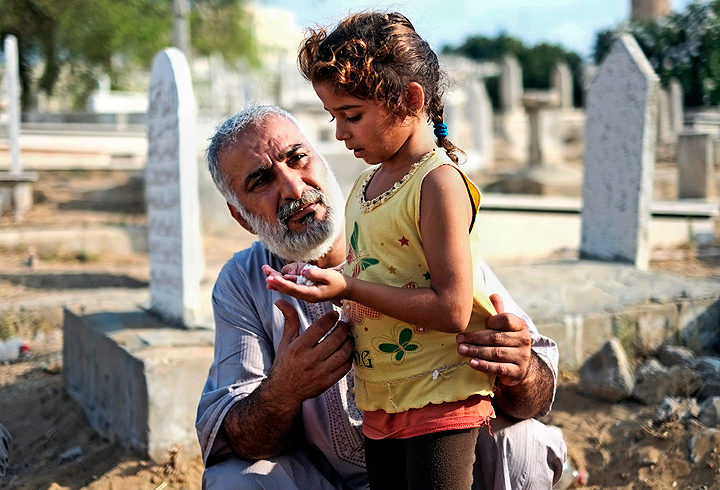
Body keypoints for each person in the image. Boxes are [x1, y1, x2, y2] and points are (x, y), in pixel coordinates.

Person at [196, 103, 565, 490]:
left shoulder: (406, 223)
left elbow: (534, 402)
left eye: (298, 158)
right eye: (261, 181)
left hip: (444, 460)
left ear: (323, 160)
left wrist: (518, 368)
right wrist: (285, 389)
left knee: (523, 441)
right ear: (239, 216)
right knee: (234, 481)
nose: (293, 187)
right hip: (330, 480)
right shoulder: (243, 282)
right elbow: (240, 440)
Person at [260, 12, 507, 490]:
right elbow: (377, 274)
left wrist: (350, 285)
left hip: (441, 395)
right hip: (381, 398)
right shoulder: (364, 188)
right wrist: (324, 284)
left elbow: (454, 308)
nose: (339, 133)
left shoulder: (437, 184)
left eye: (351, 115)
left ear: (410, 100)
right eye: (334, 117)